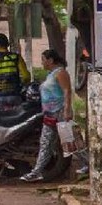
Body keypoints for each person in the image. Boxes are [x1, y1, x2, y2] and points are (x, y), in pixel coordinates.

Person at [20, 49, 73, 182]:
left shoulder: (61, 73)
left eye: (43, 59)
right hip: (49, 114)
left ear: (50, 60)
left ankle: (87, 164)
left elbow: (67, 91)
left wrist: (67, 109)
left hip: (60, 112)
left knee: (70, 141)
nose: (42, 62)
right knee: (46, 142)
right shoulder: (51, 75)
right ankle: (36, 171)